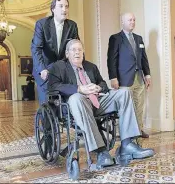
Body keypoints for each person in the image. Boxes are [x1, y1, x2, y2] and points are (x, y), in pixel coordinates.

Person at [48, 39, 154, 167]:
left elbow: (102, 83)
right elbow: (54, 86)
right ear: (67, 54)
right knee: (76, 98)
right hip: (77, 105)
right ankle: (101, 152)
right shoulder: (58, 67)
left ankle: (127, 144)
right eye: (73, 50)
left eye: (80, 50)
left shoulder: (91, 66)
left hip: (97, 102)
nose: (77, 53)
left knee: (124, 92)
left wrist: (98, 87)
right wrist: (79, 89)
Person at [107, 13, 151, 138]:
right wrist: (113, 77)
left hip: (139, 77)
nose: (132, 22)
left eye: (133, 20)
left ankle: (138, 129)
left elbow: (143, 58)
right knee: (126, 108)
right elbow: (111, 59)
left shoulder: (139, 38)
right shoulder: (115, 38)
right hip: (123, 79)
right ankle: (125, 133)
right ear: (123, 22)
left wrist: (147, 74)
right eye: (129, 20)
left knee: (139, 105)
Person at [31, 0, 80, 105]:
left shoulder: (72, 26)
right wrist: (42, 69)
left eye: (66, 6)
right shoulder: (42, 24)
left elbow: (76, 48)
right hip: (45, 68)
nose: (64, 9)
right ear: (53, 9)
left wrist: (79, 66)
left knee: (68, 101)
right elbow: (36, 49)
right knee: (47, 104)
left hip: (62, 69)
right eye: (61, 6)